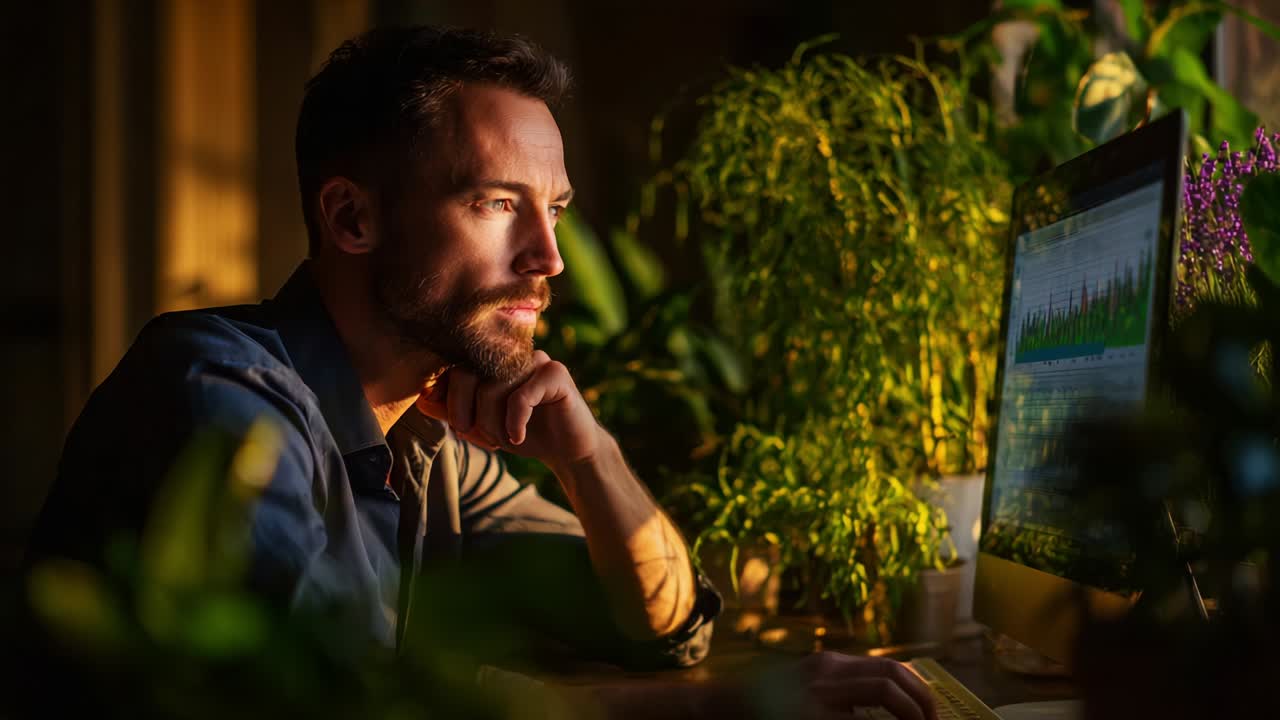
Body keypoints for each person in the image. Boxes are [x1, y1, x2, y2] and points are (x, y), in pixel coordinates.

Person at [27, 25, 936, 720]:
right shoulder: (222, 395)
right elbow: (333, 700)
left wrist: (589, 457)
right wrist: (736, 705)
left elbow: (665, 622)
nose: (550, 257)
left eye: (556, 209)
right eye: (497, 203)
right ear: (351, 219)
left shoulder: (428, 443)